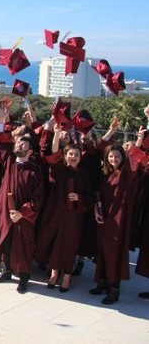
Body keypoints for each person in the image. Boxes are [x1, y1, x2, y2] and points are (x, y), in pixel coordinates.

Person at [90, 119, 145, 304]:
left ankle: (114, 288)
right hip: (103, 218)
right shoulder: (106, 174)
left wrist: (139, 140)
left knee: (114, 253)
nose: (114, 159)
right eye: (111, 157)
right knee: (102, 250)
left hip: (119, 220)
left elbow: (135, 160)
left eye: (117, 156)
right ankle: (102, 282)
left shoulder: (127, 174)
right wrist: (97, 209)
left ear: (123, 157)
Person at [34, 123, 93, 292]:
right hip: (56, 214)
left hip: (74, 218)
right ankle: (54, 273)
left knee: (69, 245)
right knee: (54, 243)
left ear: (80, 157)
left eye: (76, 154)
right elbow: (53, 153)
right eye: (70, 154)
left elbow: (90, 199)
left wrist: (79, 198)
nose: (73, 157)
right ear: (65, 156)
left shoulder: (84, 175)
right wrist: (56, 133)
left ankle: (67, 275)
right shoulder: (60, 170)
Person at [0, 132, 44, 294]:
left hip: (23, 217)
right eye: (18, 143)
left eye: (23, 144)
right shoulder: (10, 163)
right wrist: (1, 123)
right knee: (6, 242)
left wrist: (22, 212)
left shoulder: (35, 172)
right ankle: (6, 272)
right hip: (6, 211)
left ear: (30, 151)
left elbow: (37, 198)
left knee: (22, 246)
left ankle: (23, 278)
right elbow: (2, 145)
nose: (19, 145)